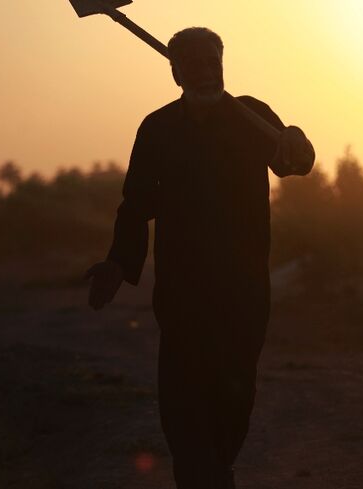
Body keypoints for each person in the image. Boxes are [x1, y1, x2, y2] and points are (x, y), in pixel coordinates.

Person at [84, 27, 314, 489]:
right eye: (195, 64)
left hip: (244, 289)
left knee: (236, 391)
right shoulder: (158, 129)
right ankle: (200, 476)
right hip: (183, 290)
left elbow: (296, 163)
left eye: (214, 62)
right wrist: (118, 263)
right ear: (176, 73)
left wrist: (297, 139)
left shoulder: (252, 116)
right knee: (182, 395)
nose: (207, 72)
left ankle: (216, 469)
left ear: (223, 65)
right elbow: (135, 205)